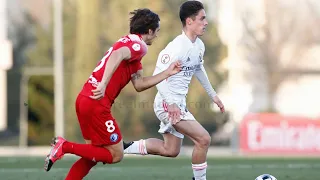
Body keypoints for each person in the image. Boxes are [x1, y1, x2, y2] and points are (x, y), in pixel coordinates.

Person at [43, 8, 182, 180]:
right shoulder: (139, 46)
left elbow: (139, 84)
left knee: (92, 155)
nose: (157, 35)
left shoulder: (130, 47)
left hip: (85, 99)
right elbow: (117, 55)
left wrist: (167, 73)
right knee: (116, 155)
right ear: (149, 30)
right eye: (157, 31)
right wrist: (103, 84)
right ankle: (63, 146)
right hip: (97, 103)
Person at [123, 1, 225, 180]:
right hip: (166, 103)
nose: (206, 23)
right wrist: (170, 103)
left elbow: (198, 69)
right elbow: (158, 77)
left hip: (178, 104)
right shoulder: (175, 47)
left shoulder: (199, 46)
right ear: (189, 21)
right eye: (202, 19)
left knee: (170, 150)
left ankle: (125, 147)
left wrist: (213, 95)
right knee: (204, 139)